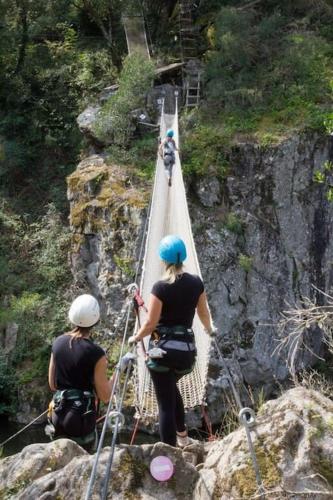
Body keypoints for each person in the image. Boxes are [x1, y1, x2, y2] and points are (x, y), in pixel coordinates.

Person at [128, 235, 216, 448]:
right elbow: (204, 314)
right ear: (182, 257)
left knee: (164, 404)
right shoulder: (196, 283)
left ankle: (169, 454)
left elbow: (151, 323)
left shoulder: (160, 287)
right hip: (186, 354)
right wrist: (209, 330)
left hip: (162, 354)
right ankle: (183, 438)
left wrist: (136, 337)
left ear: (163, 259)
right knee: (171, 390)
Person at [47, 294, 134, 450]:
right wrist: (119, 368)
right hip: (80, 417)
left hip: (57, 414)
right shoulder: (96, 353)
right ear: (96, 320)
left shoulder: (57, 343)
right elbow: (105, 396)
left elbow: (53, 385)